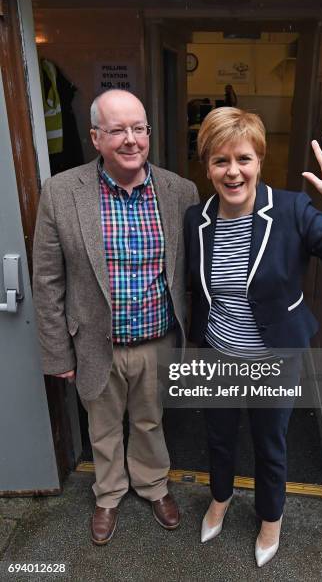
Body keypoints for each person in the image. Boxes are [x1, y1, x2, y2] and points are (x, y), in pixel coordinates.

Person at [183, 107, 322, 567]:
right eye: (220, 160)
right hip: (218, 351)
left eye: (243, 158)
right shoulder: (197, 218)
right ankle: (220, 498)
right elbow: (199, 288)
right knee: (218, 436)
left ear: (260, 160)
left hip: (275, 356)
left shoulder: (292, 210)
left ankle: (270, 518)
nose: (232, 171)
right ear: (206, 165)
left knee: (270, 441)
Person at [33, 89, 199, 545]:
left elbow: (193, 271)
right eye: (117, 130)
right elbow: (47, 281)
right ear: (95, 137)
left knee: (150, 420)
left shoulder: (179, 191)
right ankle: (108, 494)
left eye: (139, 128)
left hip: (156, 339)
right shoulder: (62, 192)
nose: (131, 139)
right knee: (102, 426)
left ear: (148, 132)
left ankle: (153, 484)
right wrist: (57, 353)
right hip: (93, 341)